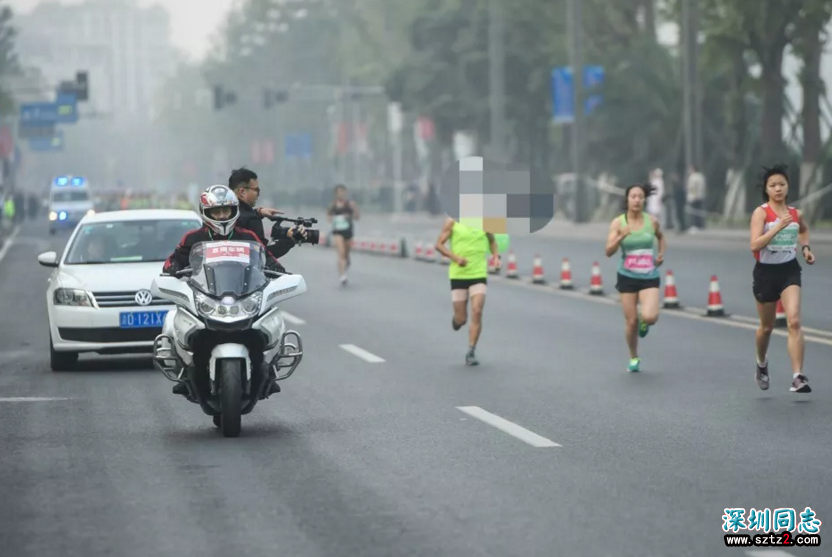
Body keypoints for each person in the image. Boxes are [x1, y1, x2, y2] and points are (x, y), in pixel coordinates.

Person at [163, 185, 285, 398]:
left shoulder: (248, 236)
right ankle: (188, 376)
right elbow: (171, 262)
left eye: (225, 211)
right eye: (216, 212)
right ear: (205, 212)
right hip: (206, 299)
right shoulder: (192, 238)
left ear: (234, 211)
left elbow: (269, 260)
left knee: (259, 337)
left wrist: (279, 272)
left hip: (243, 297)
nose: (221, 216)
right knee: (196, 340)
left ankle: (266, 374)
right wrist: (172, 269)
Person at [750, 164, 815, 393]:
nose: (778, 189)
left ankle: (798, 376)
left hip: (789, 270)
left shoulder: (796, 214)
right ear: (767, 190)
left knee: (794, 320)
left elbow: (803, 230)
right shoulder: (761, 213)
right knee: (766, 328)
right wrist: (777, 226)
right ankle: (761, 362)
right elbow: (754, 244)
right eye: (773, 185)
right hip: (765, 273)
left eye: (782, 184)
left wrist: (805, 247)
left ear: (787, 187)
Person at [605, 183, 667, 372]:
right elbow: (608, 251)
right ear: (627, 199)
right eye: (633, 196)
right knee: (630, 322)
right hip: (627, 276)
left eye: (640, 196)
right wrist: (620, 237)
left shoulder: (652, 221)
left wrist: (661, 254)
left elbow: (661, 237)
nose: (637, 200)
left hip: (649, 274)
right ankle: (633, 357)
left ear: (644, 200)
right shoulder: (618, 223)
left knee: (651, 316)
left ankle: (644, 321)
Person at [435, 217, 500, 366]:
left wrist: (496, 256)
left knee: (477, 310)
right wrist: (455, 258)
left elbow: (492, 241)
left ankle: (471, 351)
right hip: (458, 275)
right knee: (461, 318)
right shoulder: (452, 222)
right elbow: (438, 245)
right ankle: (457, 321)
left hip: (478, 274)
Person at [228, 167, 307, 258]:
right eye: (256, 190)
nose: (259, 194)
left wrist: (258, 212)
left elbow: (240, 217)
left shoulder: (221, 213)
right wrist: (290, 239)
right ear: (242, 192)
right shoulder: (252, 221)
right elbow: (264, 256)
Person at [326, 184, 359, 286]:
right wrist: (333, 218)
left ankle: (347, 260)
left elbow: (357, 217)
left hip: (348, 231)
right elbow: (328, 217)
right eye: (339, 192)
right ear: (336, 194)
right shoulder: (333, 205)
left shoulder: (350, 204)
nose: (341, 194)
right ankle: (342, 276)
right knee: (341, 252)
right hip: (337, 231)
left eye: (343, 192)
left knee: (346, 253)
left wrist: (349, 216)